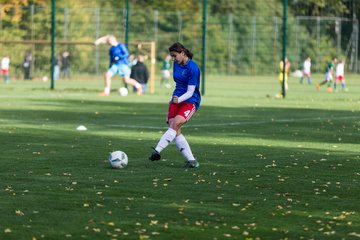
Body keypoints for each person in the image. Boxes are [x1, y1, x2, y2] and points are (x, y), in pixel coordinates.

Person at [148, 42, 201, 168]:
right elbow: (179, 85)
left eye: (174, 55)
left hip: (190, 101)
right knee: (175, 130)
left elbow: (190, 91)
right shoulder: (176, 64)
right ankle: (192, 161)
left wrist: (179, 99)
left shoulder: (193, 68)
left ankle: (157, 151)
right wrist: (173, 100)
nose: (173, 58)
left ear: (183, 53)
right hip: (175, 99)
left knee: (175, 124)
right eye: (171, 56)